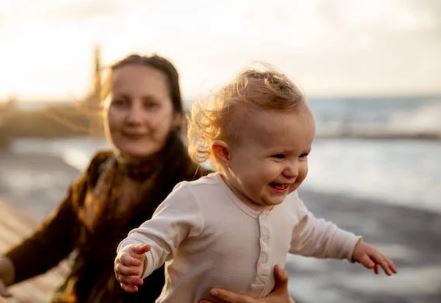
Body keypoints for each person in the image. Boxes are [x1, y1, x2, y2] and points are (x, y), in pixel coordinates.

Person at [0, 54, 295, 303]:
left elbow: (256, 269)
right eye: (121, 103)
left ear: (177, 116)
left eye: (150, 105)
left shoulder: (207, 189)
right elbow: (50, 242)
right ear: (103, 111)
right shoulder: (100, 170)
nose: (134, 118)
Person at [114, 68, 397, 302]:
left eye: (303, 155)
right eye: (278, 156)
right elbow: (155, 238)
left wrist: (353, 247)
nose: (293, 169)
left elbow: (311, 233)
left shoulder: (287, 203)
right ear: (225, 154)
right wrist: (136, 257)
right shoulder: (196, 198)